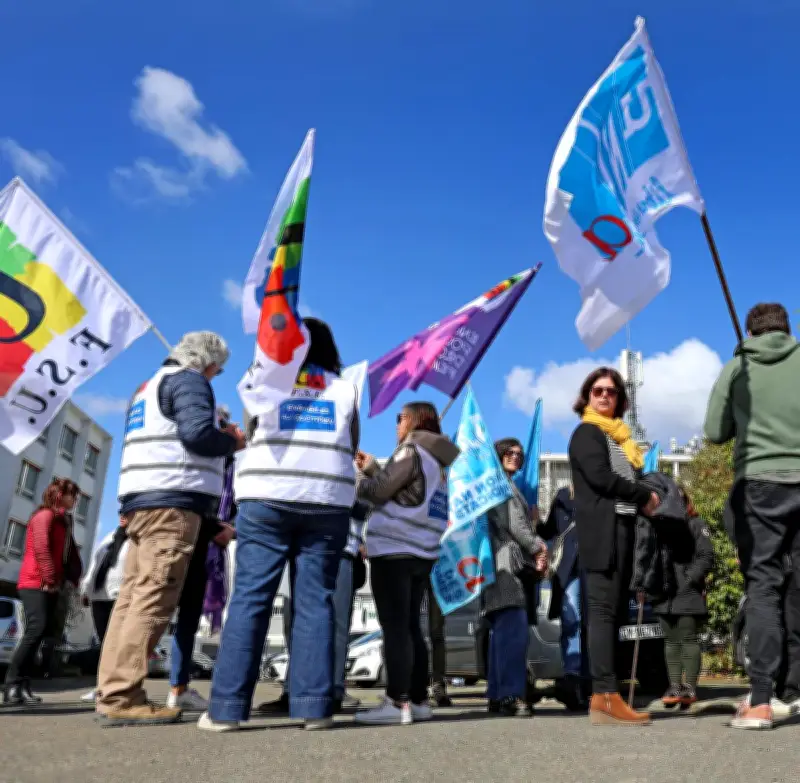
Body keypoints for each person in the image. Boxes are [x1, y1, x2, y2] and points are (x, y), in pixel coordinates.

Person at [200, 318, 358, 733]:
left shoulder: (264, 381)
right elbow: (351, 441)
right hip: (326, 499)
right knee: (316, 601)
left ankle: (227, 710)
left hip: (267, 494)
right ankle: (313, 707)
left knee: (251, 597)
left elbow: (250, 433)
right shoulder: (345, 387)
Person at [96, 331, 243, 728]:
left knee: (130, 601)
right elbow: (196, 435)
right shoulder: (189, 381)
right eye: (219, 368)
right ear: (208, 362)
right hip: (172, 504)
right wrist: (231, 441)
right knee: (153, 600)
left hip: (142, 501)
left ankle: (111, 690)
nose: (217, 375)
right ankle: (124, 697)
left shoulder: (147, 387)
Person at [704, 303, 800, 730]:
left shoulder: (736, 367)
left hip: (760, 482)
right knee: (797, 586)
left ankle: (761, 700)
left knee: (763, 583)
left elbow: (713, 431)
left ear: (749, 331)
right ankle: (793, 691)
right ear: (786, 328)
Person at [353, 402, 459, 726]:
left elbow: (381, 492)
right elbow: (409, 495)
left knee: (395, 627)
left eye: (398, 418)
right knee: (412, 626)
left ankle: (396, 700)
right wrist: (374, 468)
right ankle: (417, 699)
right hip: (422, 551)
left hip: (394, 547)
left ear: (412, 420)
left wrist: (357, 479)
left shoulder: (410, 451)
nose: (396, 425)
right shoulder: (438, 462)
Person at [568, 367, 660, 726]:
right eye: (598, 390)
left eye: (612, 391)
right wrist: (643, 495)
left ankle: (606, 696)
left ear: (621, 399)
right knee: (603, 614)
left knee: (614, 614)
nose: (605, 396)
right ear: (587, 396)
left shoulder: (620, 439)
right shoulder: (587, 433)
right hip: (602, 533)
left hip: (621, 529)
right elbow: (602, 479)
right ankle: (605, 694)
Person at [255, 505, 368, 715]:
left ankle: (333, 691)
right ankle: (292, 690)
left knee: (336, 623)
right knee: (293, 621)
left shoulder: (359, 472)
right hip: (299, 545)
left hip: (341, 546)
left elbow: (368, 499)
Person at [166, 407, 237, 713]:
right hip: (183, 536)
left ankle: (177, 686)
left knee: (188, 617)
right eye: (220, 425)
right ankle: (122, 686)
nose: (225, 430)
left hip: (209, 549)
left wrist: (233, 529)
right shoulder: (191, 458)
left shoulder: (234, 465)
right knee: (156, 611)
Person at [482, 438, 547, 717]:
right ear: (498, 455)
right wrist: (538, 546)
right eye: (509, 453)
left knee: (500, 635)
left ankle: (497, 694)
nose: (516, 458)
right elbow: (515, 526)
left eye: (519, 454)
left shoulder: (491, 486)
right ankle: (511, 694)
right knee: (513, 632)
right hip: (507, 567)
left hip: (491, 566)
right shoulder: (504, 487)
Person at [3, 478, 83, 706]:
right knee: (35, 631)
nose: (75, 500)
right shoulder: (45, 516)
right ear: (59, 495)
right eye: (72, 495)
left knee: (40, 635)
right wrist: (49, 578)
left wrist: (71, 577)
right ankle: (11, 685)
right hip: (34, 583)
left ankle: (23, 686)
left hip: (51, 584)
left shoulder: (64, 521)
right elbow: (41, 549)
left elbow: (68, 553)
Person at [651, 486, 714, 708]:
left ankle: (690, 688)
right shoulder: (658, 524)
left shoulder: (696, 524)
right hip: (664, 593)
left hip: (688, 592)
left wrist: (690, 578)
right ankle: (675, 686)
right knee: (670, 641)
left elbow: (706, 556)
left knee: (687, 638)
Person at [539, 484, 590, 711]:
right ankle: (573, 676)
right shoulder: (562, 496)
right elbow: (550, 531)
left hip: (593, 567)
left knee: (590, 624)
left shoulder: (598, 491)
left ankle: (587, 678)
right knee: (572, 621)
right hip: (570, 570)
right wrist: (535, 522)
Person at [78, 521, 130, 702]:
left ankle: (115, 688)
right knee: (104, 644)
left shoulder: (137, 540)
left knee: (117, 645)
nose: (124, 518)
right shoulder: (108, 538)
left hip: (120, 596)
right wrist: (85, 589)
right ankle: (101, 687)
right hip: (99, 596)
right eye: (122, 514)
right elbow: (95, 564)